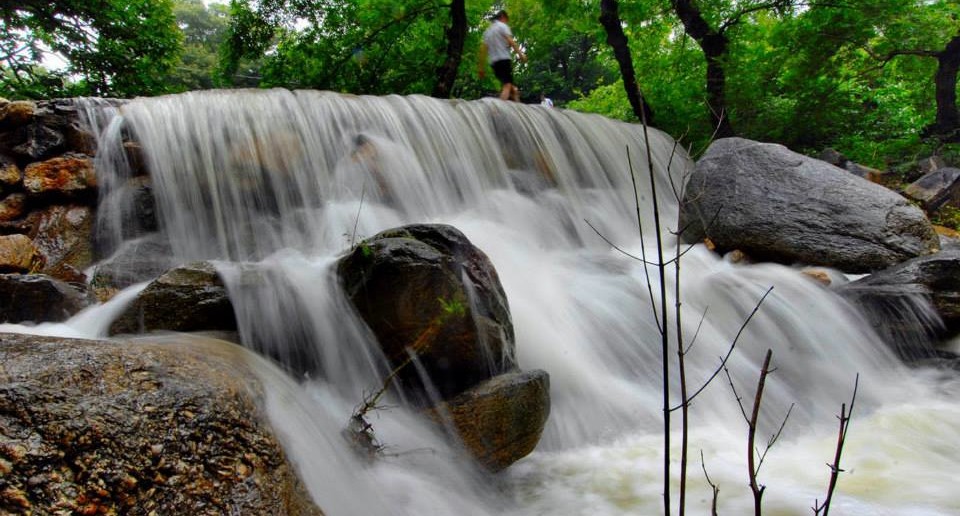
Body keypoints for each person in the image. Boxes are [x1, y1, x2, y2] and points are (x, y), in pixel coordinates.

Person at [478, 10, 527, 102]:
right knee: (507, 85)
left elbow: (483, 50)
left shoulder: (488, 32)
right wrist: (521, 54)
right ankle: (500, 107)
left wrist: (481, 68)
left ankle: (518, 105)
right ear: (503, 17)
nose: (506, 22)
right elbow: (511, 41)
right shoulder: (502, 26)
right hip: (504, 59)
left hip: (494, 63)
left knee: (512, 88)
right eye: (506, 20)